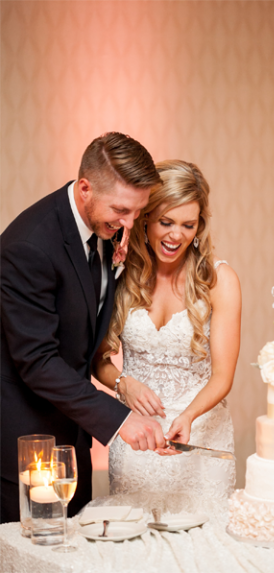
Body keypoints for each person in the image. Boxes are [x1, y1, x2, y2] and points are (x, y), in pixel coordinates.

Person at [0, 132, 167, 522]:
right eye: (122, 211)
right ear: (86, 188)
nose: (130, 224)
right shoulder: (29, 246)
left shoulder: (105, 230)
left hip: (73, 437)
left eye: (137, 212)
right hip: (28, 440)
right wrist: (119, 418)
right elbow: (38, 361)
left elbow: (85, 335)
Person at [92, 159, 241, 521]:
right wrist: (124, 383)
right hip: (136, 441)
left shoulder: (219, 280)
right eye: (166, 222)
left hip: (199, 437)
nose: (176, 236)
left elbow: (223, 377)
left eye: (188, 225)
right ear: (146, 218)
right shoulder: (119, 275)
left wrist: (189, 415)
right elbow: (96, 360)